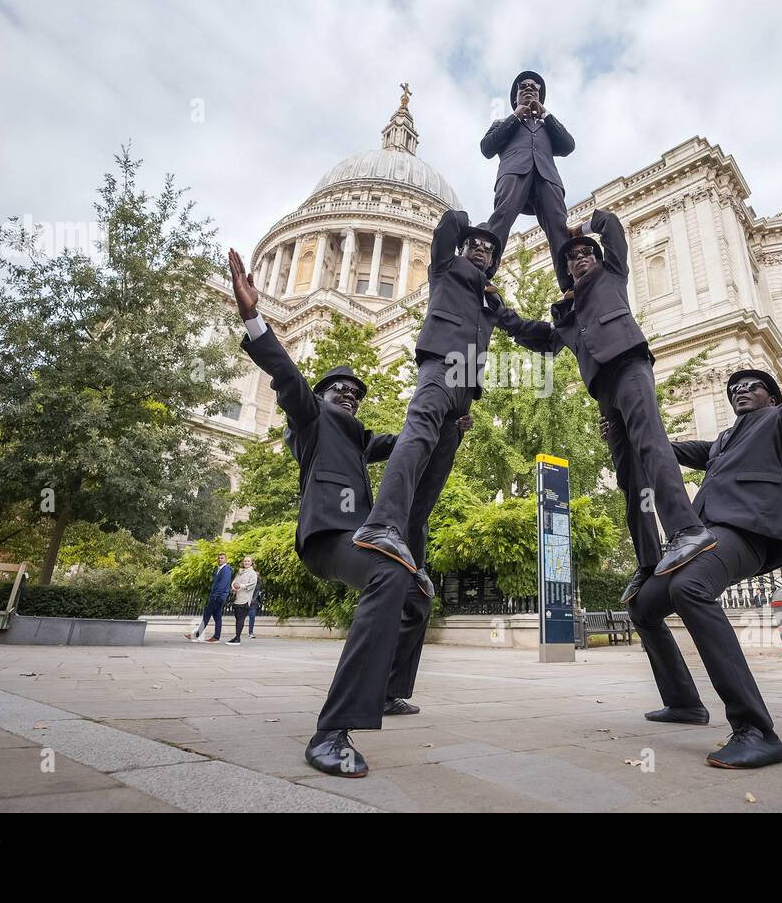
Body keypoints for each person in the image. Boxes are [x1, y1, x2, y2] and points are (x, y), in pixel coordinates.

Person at [609, 242, 782, 769]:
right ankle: (685, 702)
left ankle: (756, 729)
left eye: (755, 385)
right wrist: (622, 418)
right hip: (706, 536)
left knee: (690, 588)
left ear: (773, 398)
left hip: (748, 532)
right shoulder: (719, 445)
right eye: (737, 386)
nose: (743, 390)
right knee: (644, 607)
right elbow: (657, 447)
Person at [228, 247, 469, 777]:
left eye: (357, 394)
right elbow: (287, 377)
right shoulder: (311, 419)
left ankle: (388, 692)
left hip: (360, 535)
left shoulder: (358, 438)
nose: (350, 397)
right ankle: (331, 731)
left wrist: (450, 418)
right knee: (390, 570)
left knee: (417, 592)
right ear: (322, 395)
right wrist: (253, 318)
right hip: (328, 538)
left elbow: (412, 438)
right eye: (341, 389)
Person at [352, 209, 555, 576]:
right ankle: (381, 524)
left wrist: (565, 334)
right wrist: (476, 226)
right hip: (440, 366)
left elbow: (522, 329)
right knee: (415, 440)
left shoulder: (490, 300)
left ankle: (411, 556)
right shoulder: (445, 268)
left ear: (494, 262)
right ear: (461, 249)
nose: (480, 249)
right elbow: (448, 223)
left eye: (487, 249)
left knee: (435, 475)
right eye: (473, 244)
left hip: (464, 391)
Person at [528, 208, 719, 583]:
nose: (580, 257)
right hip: (604, 390)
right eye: (572, 256)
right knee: (629, 476)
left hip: (629, 364)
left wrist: (577, 228)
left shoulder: (612, 273)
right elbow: (542, 339)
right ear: (566, 271)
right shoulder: (570, 312)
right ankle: (648, 562)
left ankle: (688, 529)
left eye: (586, 253)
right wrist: (497, 310)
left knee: (651, 443)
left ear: (597, 258)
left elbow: (612, 225)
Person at [481, 70, 576, 274]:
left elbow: (568, 146)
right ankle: (482, 274)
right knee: (501, 220)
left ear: (540, 97)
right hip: (514, 172)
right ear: (515, 97)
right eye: (523, 86)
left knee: (558, 228)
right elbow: (487, 148)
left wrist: (545, 115)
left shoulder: (548, 126)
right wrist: (516, 116)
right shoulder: (502, 123)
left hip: (547, 178)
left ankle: (569, 284)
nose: (529, 89)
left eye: (535, 87)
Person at [184, 552, 232, 643]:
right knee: (217, 617)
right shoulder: (220, 569)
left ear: (226, 559)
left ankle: (196, 635)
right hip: (218, 596)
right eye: (219, 558)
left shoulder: (226, 569)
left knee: (207, 614)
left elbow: (223, 584)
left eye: (222, 558)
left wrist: (215, 595)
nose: (220, 559)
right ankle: (216, 637)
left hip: (218, 596)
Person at [225, 556, 258, 645]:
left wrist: (241, 586)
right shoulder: (240, 572)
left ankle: (237, 638)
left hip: (245, 599)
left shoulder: (253, 573)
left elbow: (252, 584)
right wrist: (234, 586)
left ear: (251, 563)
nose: (246, 562)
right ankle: (236, 637)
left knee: (240, 619)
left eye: (248, 561)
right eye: (245, 561)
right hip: (237, 598)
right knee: (237, 619)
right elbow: (234, 582)